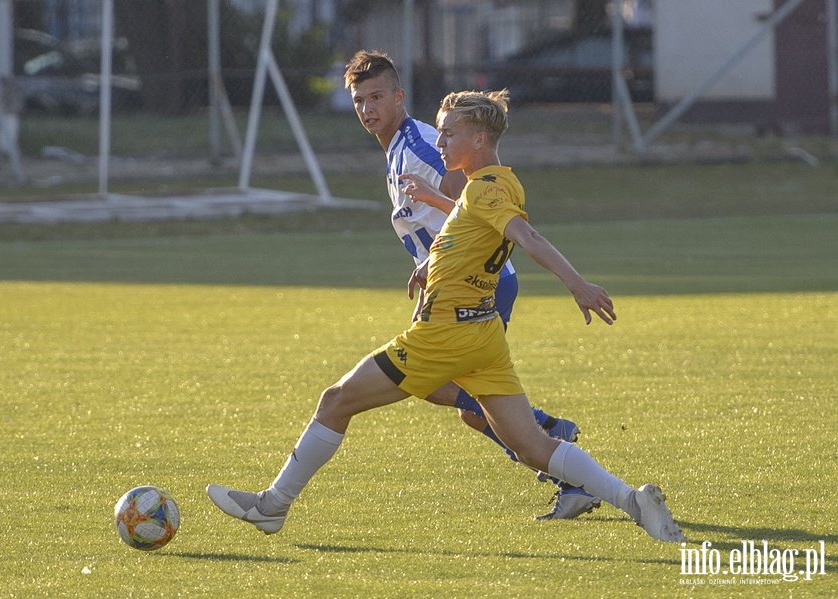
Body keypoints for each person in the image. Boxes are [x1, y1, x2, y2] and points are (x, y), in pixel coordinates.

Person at [207, 89, 686, 544]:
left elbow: (528, 237)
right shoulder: (486, 187)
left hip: (447, 334)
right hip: (481, 336)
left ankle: (274, 504)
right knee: (531, 448)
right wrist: (430, 267)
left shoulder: (488, 189)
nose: (439, 142)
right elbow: (468, 234)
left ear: (478, 139)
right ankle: (634, 502)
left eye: (448, 133)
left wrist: (578, 285)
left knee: (336, 400)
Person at [338, 50, 598, 520]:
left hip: (478, 286)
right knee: (466, 404)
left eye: (377, 96)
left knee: (440, 389)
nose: (368, 108)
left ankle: (550, 436)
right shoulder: (399, 146)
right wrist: (429, 261)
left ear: (400, 96)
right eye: (359, 99)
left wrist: (436, 227)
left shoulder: (418, 144)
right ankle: (562, 464)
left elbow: (474, 196)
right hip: (453, 285)